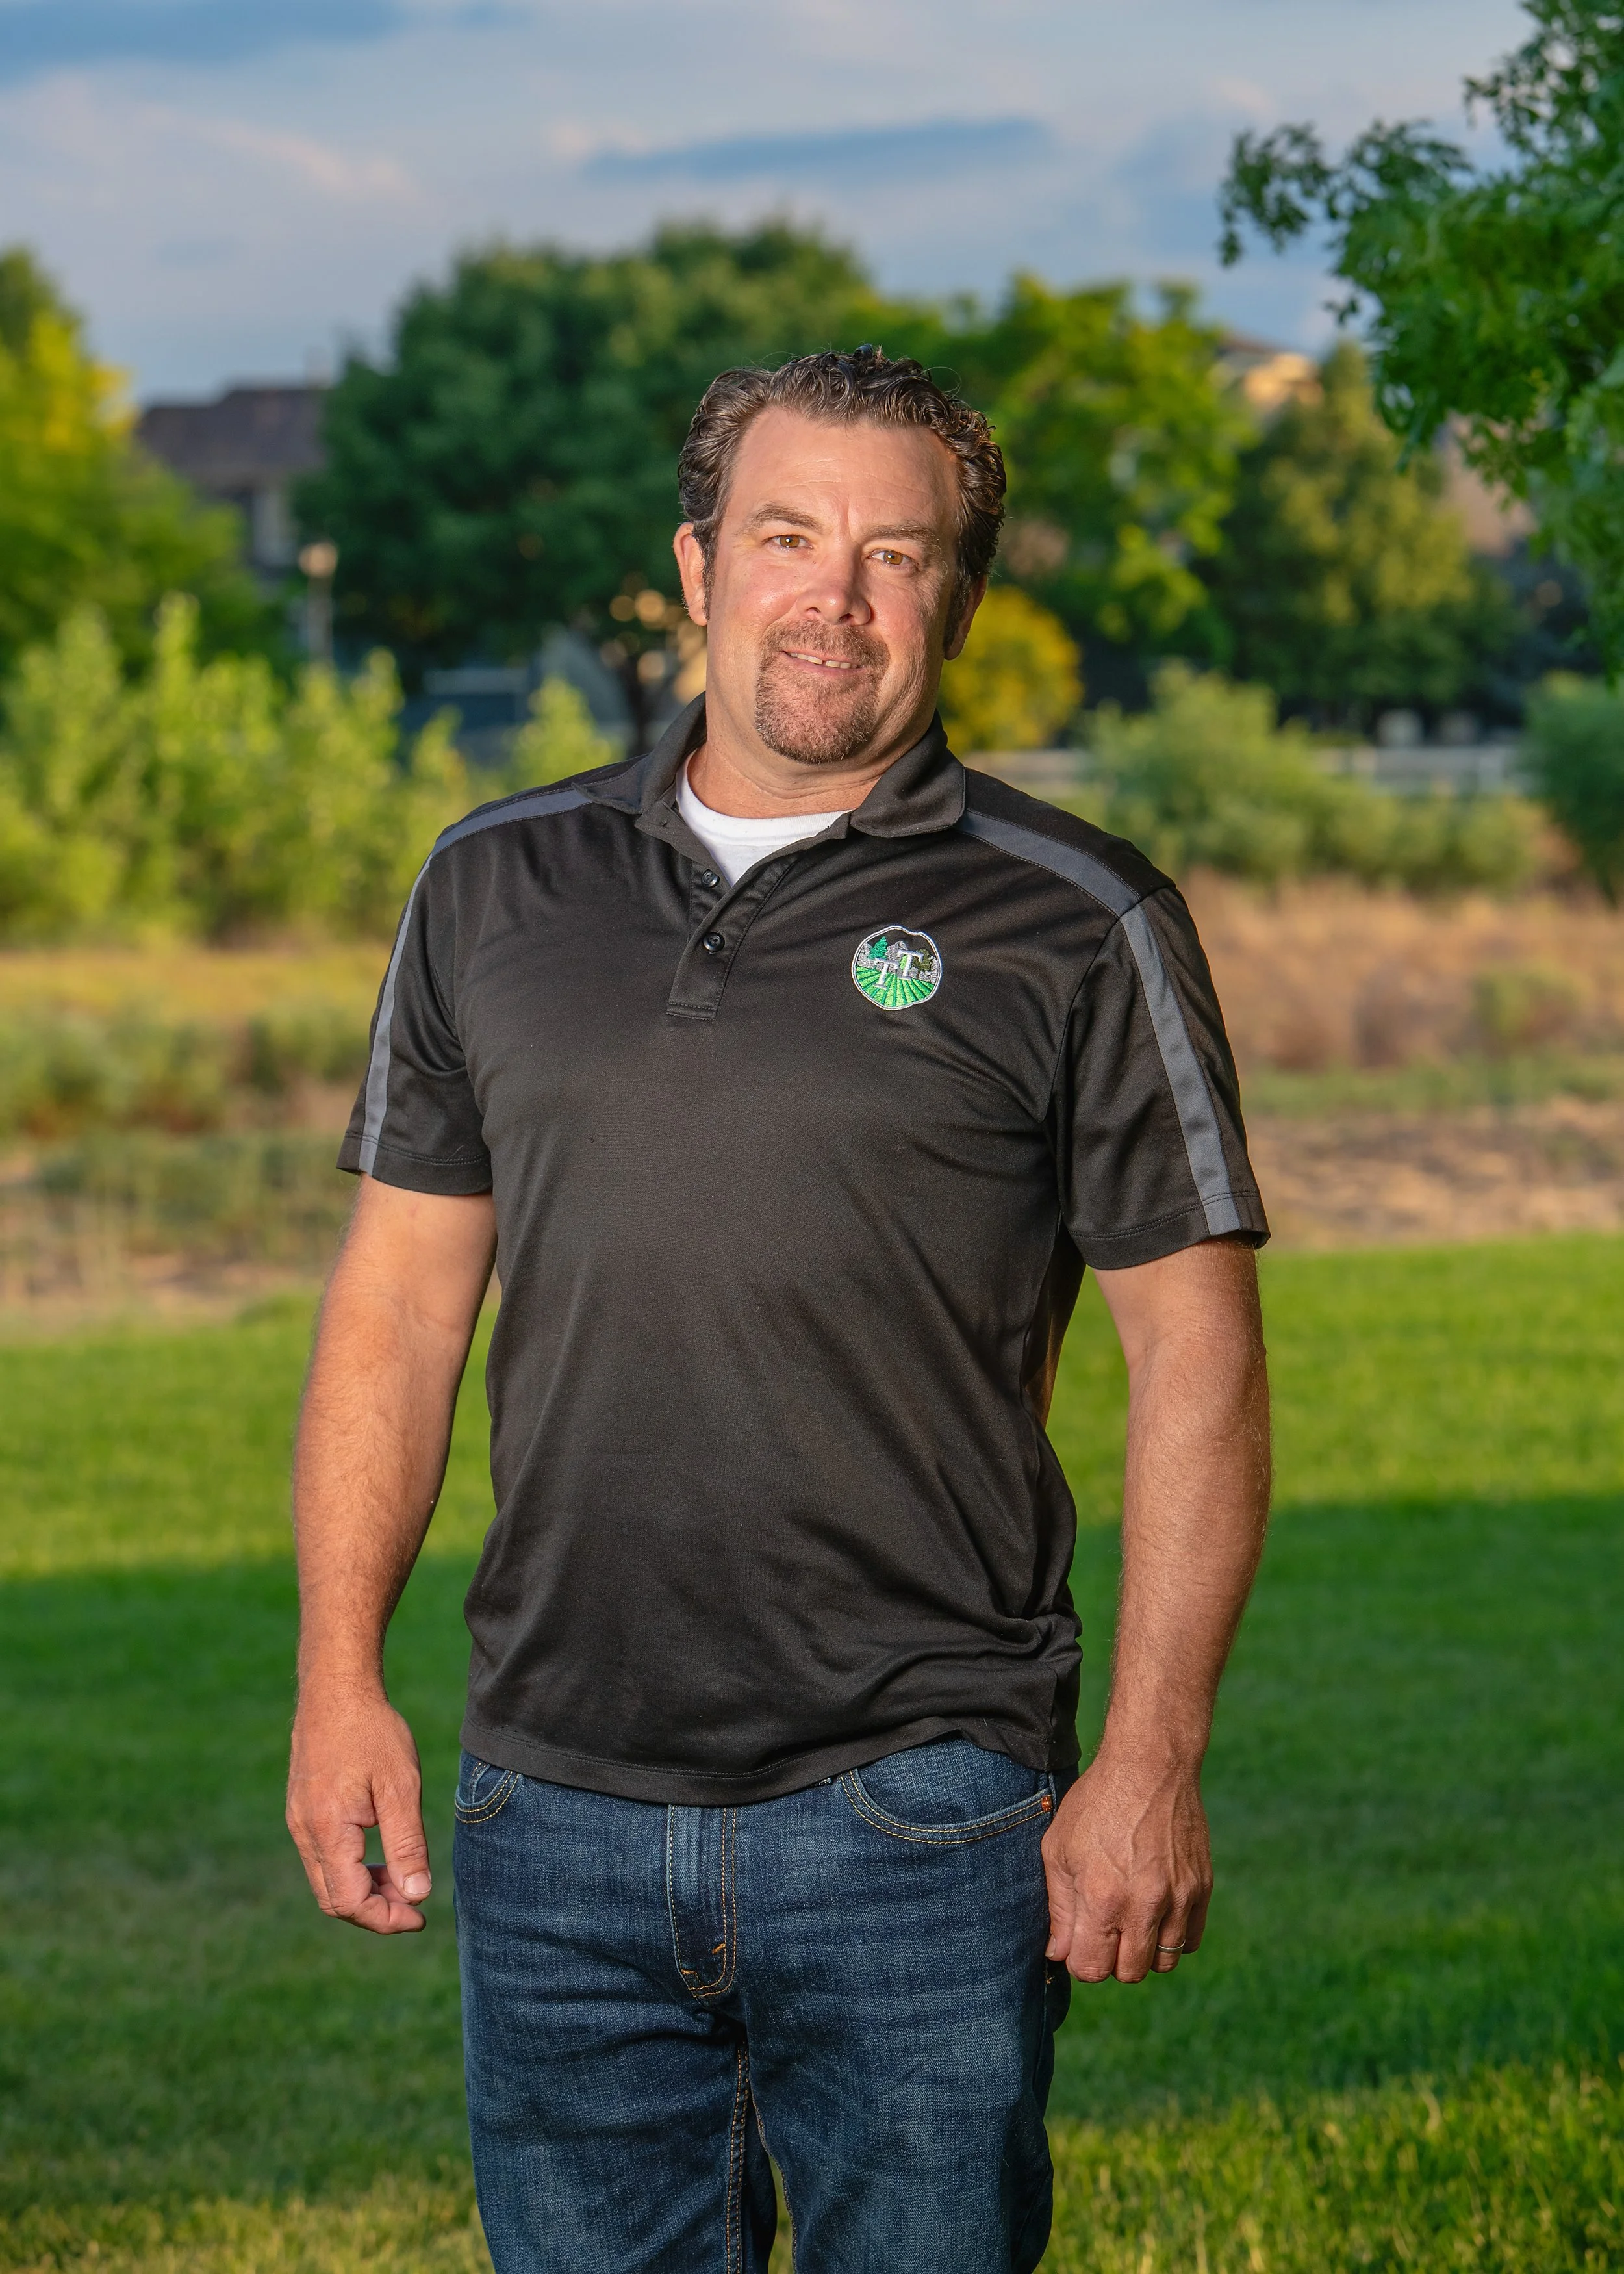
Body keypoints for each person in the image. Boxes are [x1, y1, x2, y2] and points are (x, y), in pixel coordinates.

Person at [286, 347, 1272, 2274]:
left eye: (895, 554)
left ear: (957, 598)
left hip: (918, 1798)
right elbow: (396, 1307)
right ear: (696, 565)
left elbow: (1197, 1353)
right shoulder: (492, 885)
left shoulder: (1078, 917)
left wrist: (1147, 1761)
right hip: (549, 1791)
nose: (835, 596)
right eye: (788, 537)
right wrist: (340, 1679)